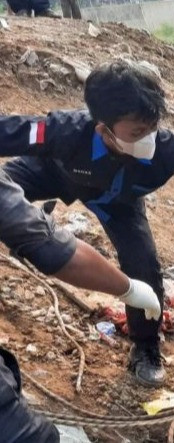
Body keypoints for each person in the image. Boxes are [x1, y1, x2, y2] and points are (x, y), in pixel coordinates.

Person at [0, 60, 174, 387]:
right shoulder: (66, 131)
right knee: (4, 194)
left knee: (144, 264)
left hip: (116, 203)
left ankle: (145, 346)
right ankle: (30, 234)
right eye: (137, 132)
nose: (148, 138)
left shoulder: (168, 151)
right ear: (103, 129)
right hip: (56, 174)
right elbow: (10, 131)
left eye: (152, 127)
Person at [0, 169, 161, 442]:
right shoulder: (65, 139)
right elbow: (52, 247)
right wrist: (129, 288)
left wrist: (129, 289)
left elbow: (48, 243)